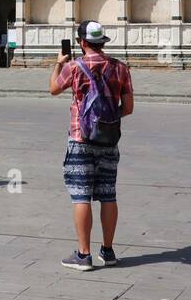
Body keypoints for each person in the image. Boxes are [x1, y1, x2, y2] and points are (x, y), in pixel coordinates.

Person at [50, 20, 134, 271]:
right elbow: (128, 108)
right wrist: (106, 120)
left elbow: (53, 89)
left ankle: (83, 255)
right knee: (108, 194)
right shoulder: (120, 68)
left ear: (82, 43)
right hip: (109, 140)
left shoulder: (75, 67)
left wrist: (58, 63)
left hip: (80, 139)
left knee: (81, 197)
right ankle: (107, 252)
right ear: (102, 42)